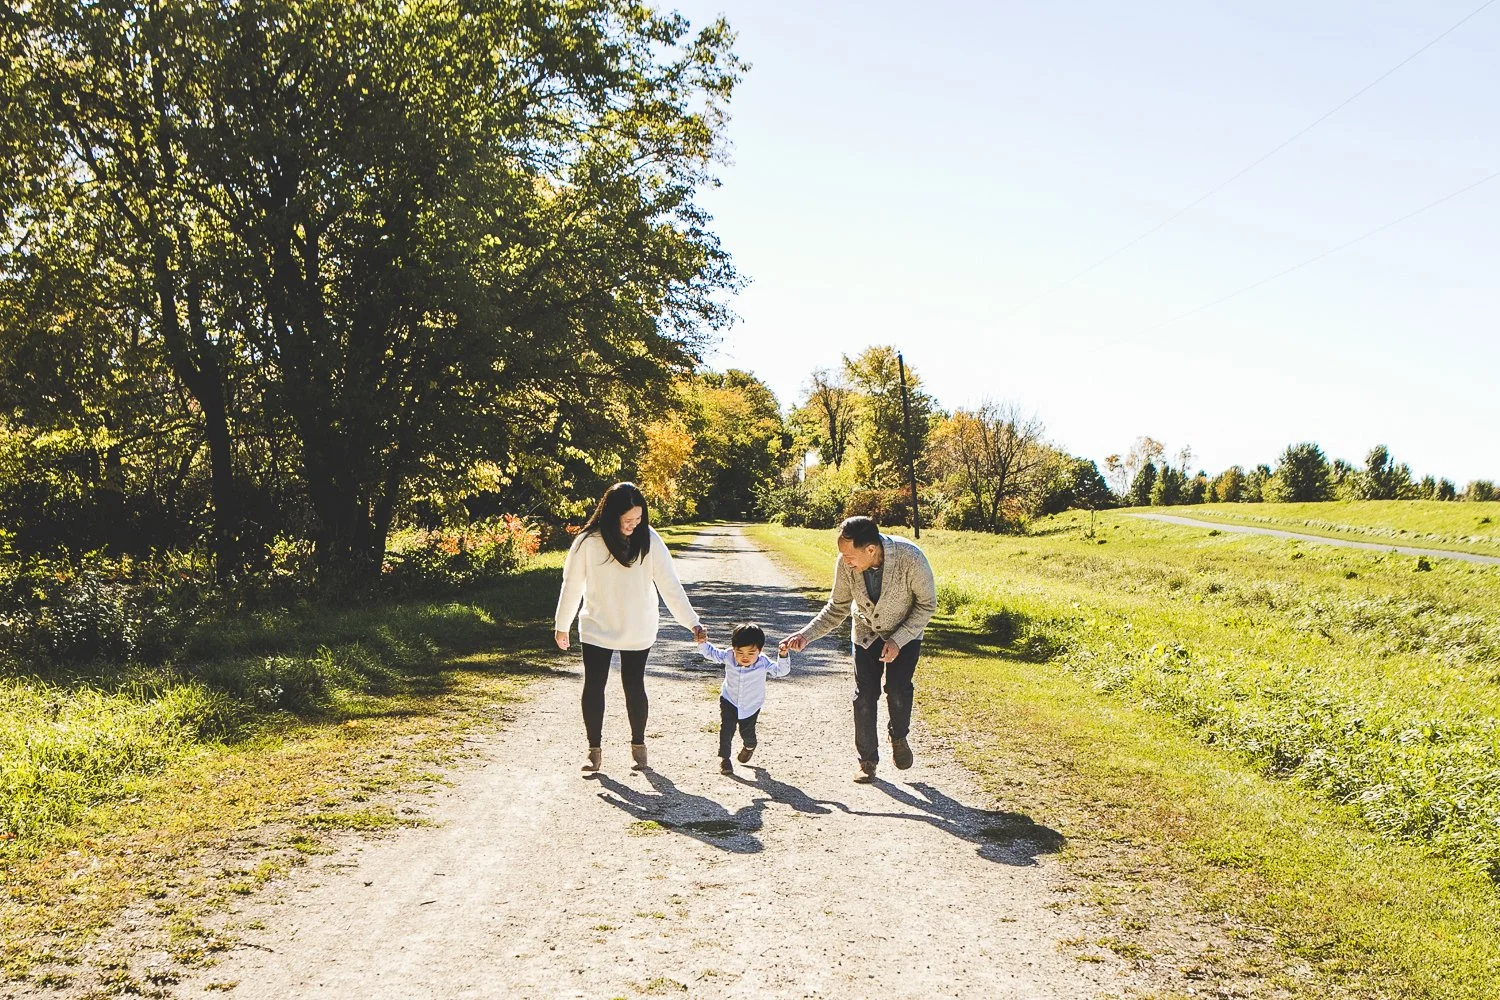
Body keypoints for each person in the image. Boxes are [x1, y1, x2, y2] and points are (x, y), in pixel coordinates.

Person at [554, 482, 706, 773]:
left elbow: (670, 586)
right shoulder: (588, 542)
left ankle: (638, 746)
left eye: (638, 519)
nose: (633, 526)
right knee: (594, 684)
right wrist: (563, 625)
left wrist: (692, 622)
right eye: (627, 521)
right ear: (611, 515)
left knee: (633, 684)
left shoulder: (649, 540)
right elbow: (572, 585)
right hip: (598, 623)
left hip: (638, 624)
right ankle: (593, 750)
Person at [782, 516, 936, 783]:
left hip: (906, 633)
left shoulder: (911, 557)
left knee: (898, 690)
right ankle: (867, 761)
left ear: (871, 550)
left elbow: (926, 605)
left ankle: (898, 736)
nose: (845, 560)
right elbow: (837, 607)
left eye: (849, 555)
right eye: (842, 554)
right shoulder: (846, 564)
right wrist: (806, 636)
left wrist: (898, 640)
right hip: (866, 634)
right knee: (864, 696)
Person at [697, 622, 791, 774]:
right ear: (733, 648)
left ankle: (750, 746)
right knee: (726, 730)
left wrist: (783, 655)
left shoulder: (763, 662)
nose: (745, 657)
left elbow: (781, 671)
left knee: (747, 733)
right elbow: (712, 653)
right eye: (739, 652)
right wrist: (703, 642)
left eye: (751, 653)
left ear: (760, 651)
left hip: (750, 705)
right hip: (729, 700)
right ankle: (725, 760)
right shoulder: (728, 655)